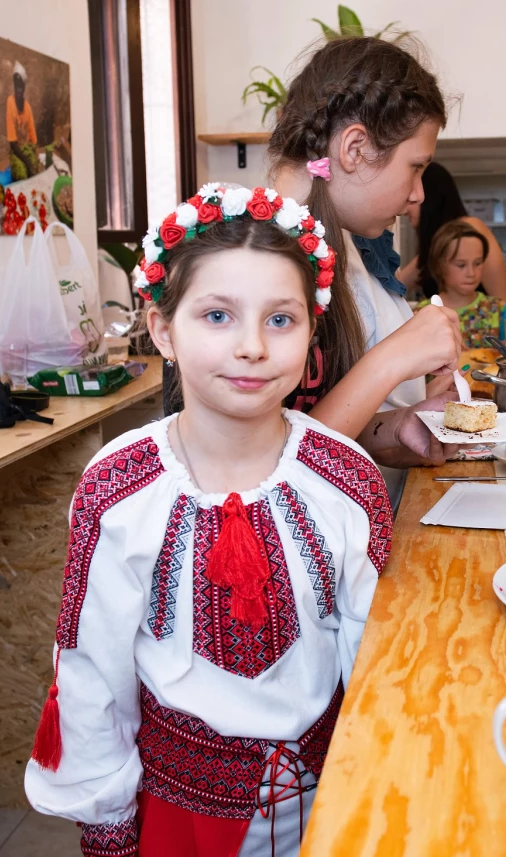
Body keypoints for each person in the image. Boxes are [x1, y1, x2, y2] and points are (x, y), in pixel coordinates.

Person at [25, 185, 387, 857]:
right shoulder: (119, 487)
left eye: (281, 320)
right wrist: (107, 828)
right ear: (163, 329)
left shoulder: (345, 479)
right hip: (179, 816)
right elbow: (91, 670)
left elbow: (372, 663)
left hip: (328, 800)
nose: (252, 346)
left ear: (312, 331)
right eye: (217, 315)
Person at [162, 38, 465, 492]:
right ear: (355, 148)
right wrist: (393, 359)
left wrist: (399, 426)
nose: (419, 193)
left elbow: (316, 423)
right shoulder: (252, 257)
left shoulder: (343, 242)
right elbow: (266, 464)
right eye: (415, 167)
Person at [397, 163, 506, 310]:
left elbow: (504, 300)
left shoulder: (470, 231)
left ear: (429, 198)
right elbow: (397, 285)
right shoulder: (436, 244)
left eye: (412, 195)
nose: (406, 207)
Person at [418, 220, 506, 350]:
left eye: (477, 263)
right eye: (461, 265)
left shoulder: (498, 309)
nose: (471, 273)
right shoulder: (423, 313)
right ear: (439, 265)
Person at [7, 61, 41, 180]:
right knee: (22, 173)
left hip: (27, 148)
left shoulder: (27, 108)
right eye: (17, 86)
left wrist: (33, 159)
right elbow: (12, 143)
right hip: (17, 151)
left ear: (24, 87)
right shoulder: (10, 103)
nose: (19, 90)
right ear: (14, 86)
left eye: (21, 86)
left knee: (33, 171)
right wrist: (27, 162)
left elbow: (33, 138)